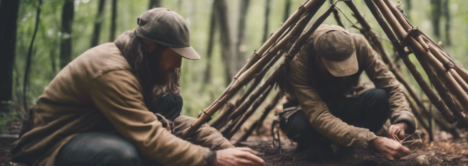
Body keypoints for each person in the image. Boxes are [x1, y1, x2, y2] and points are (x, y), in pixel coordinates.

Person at [11, 8, 265, 166]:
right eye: (175, 53)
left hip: (96, 127)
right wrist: (211, 160)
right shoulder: (112, 72)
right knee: (120, 157)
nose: (178, 63)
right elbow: (150, 135)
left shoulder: (140, 65)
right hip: (53, 142)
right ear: (151, 46)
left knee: (171, 102)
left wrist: (225, 148)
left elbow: (172, 123)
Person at [278, 24, 416, 161]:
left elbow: (390, 86)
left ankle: (351, 147)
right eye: (333, 68)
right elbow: (319, 116)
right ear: (318, 57)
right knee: (305, 133)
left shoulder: (359, 46)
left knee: (379, 97)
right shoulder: (298, 62)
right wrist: (370, 139)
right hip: (307, 114)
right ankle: (317, 145)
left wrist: (401, 121)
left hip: (343, 104)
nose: (340, 74)